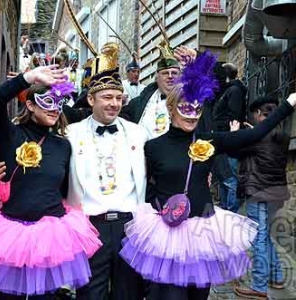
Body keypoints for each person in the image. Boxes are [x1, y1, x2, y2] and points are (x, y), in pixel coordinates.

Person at [119, 51, 296, 300]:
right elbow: (143, 186)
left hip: (202, 234)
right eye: (184, 108)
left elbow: (254, 135)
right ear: (171, 108)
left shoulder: (208, 142)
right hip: (167, 234)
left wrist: (288, 104)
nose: (191, 114)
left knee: (198, 296)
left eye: (197, 108)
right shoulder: (153, 147)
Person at [0, 65, 102, 299]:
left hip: (50, 237)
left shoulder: (63, 145)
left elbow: (66, 191)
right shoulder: (11, 135)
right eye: (47, 101)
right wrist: (28, 78)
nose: (54, 108)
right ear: (30, 105)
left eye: (59, 102)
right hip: (11, 235)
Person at [66, 42, 147, 300]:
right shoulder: (70, 134)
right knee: (90, 294)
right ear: (91, 99)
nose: (114, 104)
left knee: (129, 294)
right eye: (107, 98)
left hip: (129, 226)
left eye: (118, 98)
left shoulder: (138, 133)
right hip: (90, 226)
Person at [233, 96, 290, 300]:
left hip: (258, 192)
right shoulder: (282, 134)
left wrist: (237, 133)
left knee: (258, 238)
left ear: (258, 114)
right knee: (265, 236)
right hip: (277, 193)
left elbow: (235, 151)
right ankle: (277, 276)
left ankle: (259, 286)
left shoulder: (257, 135)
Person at [120, 40, 182, 139]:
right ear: (157, 77)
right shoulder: (143, 100)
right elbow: (117, 116)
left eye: (174, 73)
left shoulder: (191, 100)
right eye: (165, 73)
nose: (170, 76)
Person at [212, 62, 248, 213]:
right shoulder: (227, 92)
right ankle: (225, 211)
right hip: (222, 139)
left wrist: (228, 135)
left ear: (225, 76)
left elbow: (234, 117)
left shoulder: (234, 91)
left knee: (230, 179)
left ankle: (231, 212)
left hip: (229, 141)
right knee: (223, 179)